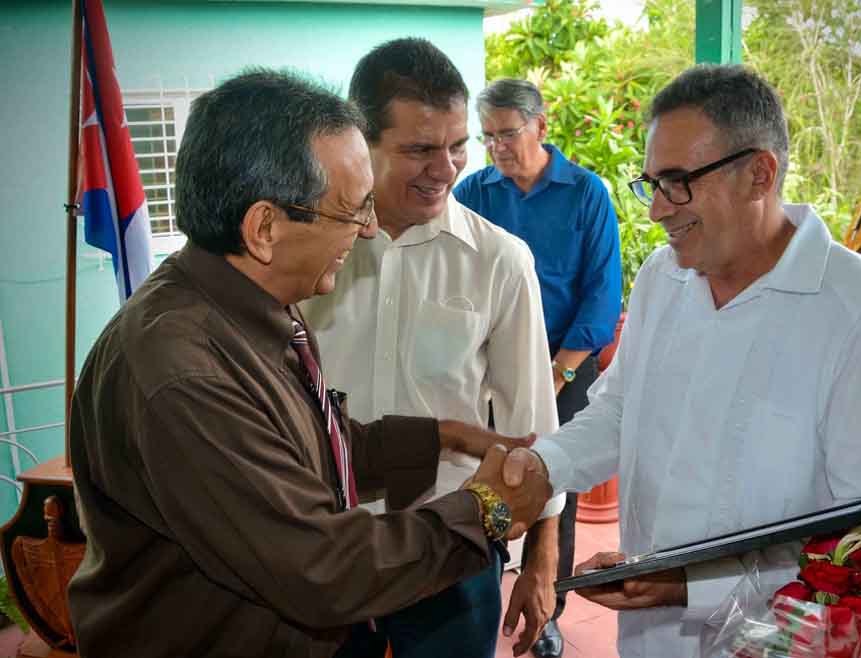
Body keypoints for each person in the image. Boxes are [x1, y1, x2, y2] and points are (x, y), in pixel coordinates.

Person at [66, 69, 549, 658]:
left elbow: (306, 449)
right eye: (350, 210)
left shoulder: (252, 315)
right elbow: (323, 569)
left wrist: (439, 437)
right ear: (265, 227)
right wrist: (489, 509)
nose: (369, 228)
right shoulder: (182, 371)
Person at [499, 64, 861, 658]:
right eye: (651, 182)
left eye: (677, 182)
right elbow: (619, 411)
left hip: (780, 642)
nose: (657, 209)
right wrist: (544, 466)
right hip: (648, 642)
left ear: (760, 173)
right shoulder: (663, 278)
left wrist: (694, 585)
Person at [300, 40, 563, 657]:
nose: (444, 168)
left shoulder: (500, 260)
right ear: (360, 140)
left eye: (457, 145)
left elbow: (534, 428)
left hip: (456, 546)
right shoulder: (305, 248)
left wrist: (541, 564)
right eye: (418, 149)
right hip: (322, 547)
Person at [454, 78, 622, 658]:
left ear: (541, 127)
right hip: (486, 371)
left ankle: (550, 607)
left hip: (564, 365)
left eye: (509, 132)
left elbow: (602, 293)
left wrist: (555, 372)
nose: (498, 145)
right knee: (488, 478)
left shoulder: (585, 192)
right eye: (489, 135)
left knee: (559, 490)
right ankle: (490, 583)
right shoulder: (474, 192)